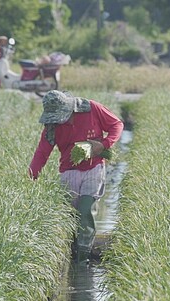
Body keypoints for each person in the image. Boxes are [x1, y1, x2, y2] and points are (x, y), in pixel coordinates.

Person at [29, 90, 123, 261]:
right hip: (68, 170)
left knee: (85, 209)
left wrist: (103, 145)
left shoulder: (92, 109)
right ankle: (72, 248)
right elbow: (42, 153)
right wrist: (31, 175)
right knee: (72, 214)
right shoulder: (52, 126)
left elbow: (116, 125)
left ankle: (83, 256)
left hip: (94, 167)